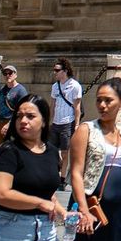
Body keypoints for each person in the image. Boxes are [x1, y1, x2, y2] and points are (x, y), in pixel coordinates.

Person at [0, 95, 82, 241]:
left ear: (44, 121)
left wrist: (64, 213)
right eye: (19, 116)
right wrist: (39, 203)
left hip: (46, 234)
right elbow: (1, 194)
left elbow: (48, 194)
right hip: (9, 234)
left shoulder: (52, 152)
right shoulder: (8, 151)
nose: (23, 121)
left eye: (31, 116)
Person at [67, 79, 121, 241]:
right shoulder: (86, 130)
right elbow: (76, 172)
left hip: (119, 210)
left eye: (108, 100)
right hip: (91, 205)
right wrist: (83, 209)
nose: (102, 105)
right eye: (98, 100)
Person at [49, 59, 83, 188]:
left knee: (65, 151)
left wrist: (77, 124)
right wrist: (50, 121)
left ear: (65, 71)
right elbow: (52, 104)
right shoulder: (55, 86)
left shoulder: (74, 86)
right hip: (56, 122)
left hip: (67, 122)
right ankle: (57, 168)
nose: (55, 72)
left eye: (57, 70)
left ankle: (62, 179)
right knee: (51, 150)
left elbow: (77, 106)